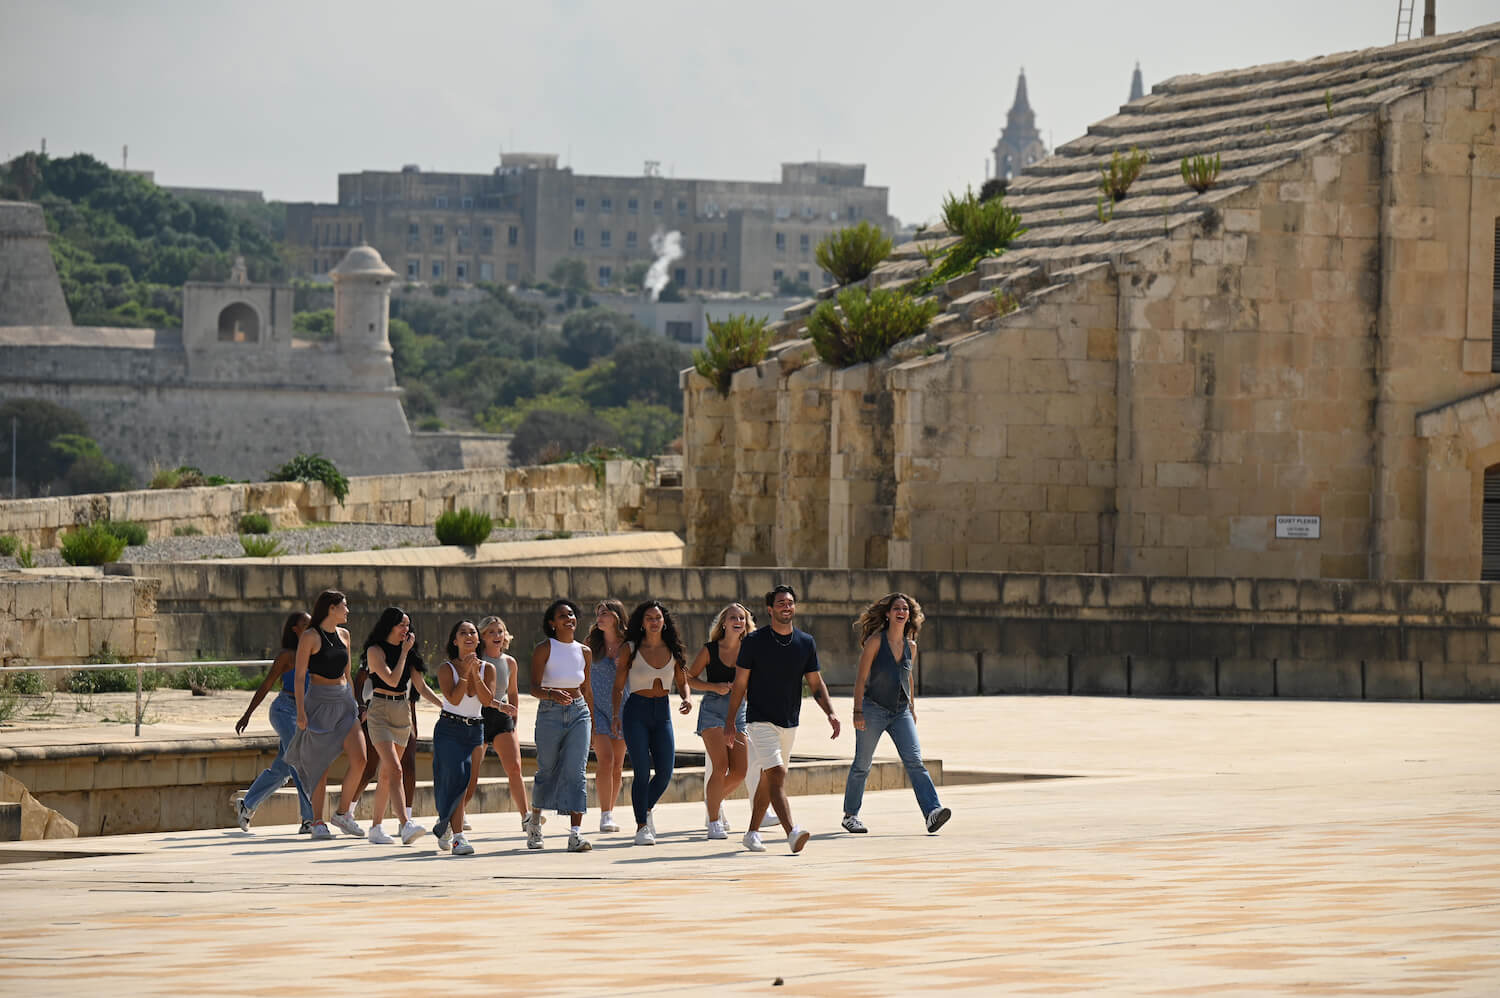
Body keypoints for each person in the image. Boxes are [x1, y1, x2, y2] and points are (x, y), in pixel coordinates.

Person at [725, 584, 840, 854]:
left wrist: (831, 712)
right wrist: (730, 720)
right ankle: (792, 833)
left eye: (789, 602)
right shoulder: (754, 642)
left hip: (789, 721)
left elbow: (815, 682)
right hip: (759, 719)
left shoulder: (805, 642)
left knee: (769, 779)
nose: (786, 607)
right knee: (777, 774)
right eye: (780, 603)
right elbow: (740, 683)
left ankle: (752, 833)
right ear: (770, 609)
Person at [841, 593, 952, 835]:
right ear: (889, 614)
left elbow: (908, 677)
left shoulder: (911, 646)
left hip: (900, 711)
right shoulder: (875, 642)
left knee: (915, 762)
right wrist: (857, 711)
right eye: (897, 608)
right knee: (862, 763)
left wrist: (912, 708)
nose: (901, 612)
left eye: (905, 609)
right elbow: (861, 678)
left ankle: (932, 812)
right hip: (872, 709)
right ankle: (851, 815)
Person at [284, 590, 369, 840]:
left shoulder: (345, 635)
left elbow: (348, 672)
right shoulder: (310, 636)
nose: (348, 610)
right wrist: (300, 711)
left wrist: (356, 704)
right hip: (318, 703)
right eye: (344, 606)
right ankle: (317, 821)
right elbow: (300, 677)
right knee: (320, 766)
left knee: (361, 759)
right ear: (331, 608)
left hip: (343, 702)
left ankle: (342, 814)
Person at [233, 611, 324, 833]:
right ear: (295, 628)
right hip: (284, 710)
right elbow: (266, 685)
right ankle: (309, 820)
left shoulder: (316, 653)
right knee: (299, 760)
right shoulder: (287, 656)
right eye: (306, 623)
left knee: (283, 769)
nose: (311, 625)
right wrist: (247, 714)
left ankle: (247, 805)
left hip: (304, 712)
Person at [360, 607, 444, 846]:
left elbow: (421, 687)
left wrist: (445, 706)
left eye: (408, 625)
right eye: (401, 625)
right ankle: (406, 824)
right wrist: (405, 653)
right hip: (380, 711)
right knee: (395, 769)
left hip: (402, 713)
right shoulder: (375, 651)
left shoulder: (409, 652)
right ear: (389, 626)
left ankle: (375, 827)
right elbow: (393, 680)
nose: (406, 630)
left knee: (387, 775)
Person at [615, 600, 691, 845]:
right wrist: (616, 716)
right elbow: (618, 687)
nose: (655, 622)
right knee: (641, 771)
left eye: (658, 618)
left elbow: (682, 680)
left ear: (664, 621)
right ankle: (641, 826)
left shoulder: (673, 648)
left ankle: (645, 809)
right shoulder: (631, 648)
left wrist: (687, 698)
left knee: (665, 772)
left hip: (663, 713)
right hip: (636, 711)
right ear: (642, 622)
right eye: (650, 618)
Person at [526, 599, 594, 853]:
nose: (570, 618)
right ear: (552, 623)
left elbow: (587, 690)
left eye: (572, 614)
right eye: (563, 615)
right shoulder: (545, 648)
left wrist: (594, 725)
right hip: (550, 713)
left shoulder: (585, 651)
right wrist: (551, 694)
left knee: (577, 773)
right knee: (547, 770)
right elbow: (533, 687)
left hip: (579, 713)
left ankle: (575, 834)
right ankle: (535, 823)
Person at [685, 603, 751, 840]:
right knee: (720, 765)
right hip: (712, 710)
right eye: (733, 617)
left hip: (739, 712)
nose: (738, 621)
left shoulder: (750, 649)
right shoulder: (710, 649)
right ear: (724, 623)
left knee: (741, 771)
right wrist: (715, 687)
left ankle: (712, 800)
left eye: (742, 618)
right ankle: (714, 821)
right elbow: (688, 678)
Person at [464, 615, 529, 833]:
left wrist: (515, 718)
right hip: (478, 715)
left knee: (515, 767)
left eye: (500, 631)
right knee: (472, 771)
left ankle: (526, 816)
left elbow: (512, 692)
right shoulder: (476, 660)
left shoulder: (510, 662)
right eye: (491, 632)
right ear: (482, 636)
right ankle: (458, 813)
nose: (497, 636)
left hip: (502, 717)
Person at [431, 620, 491, 856]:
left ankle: (445, 820)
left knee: (469, 788)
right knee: (457, 779)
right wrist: (465, 672)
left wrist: (475, 671)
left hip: (475, 730)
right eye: (462, 633)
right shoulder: (447, 668)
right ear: (454, 641)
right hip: (449, 729)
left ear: (478, 640)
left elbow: (486, 701)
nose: (468, 635)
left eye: (472, 632)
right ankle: (458, 837)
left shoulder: (488, 668)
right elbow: (454, 700)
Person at [584, 599, 630, 834]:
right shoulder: (591, 644)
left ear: (617, 617)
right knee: (606, 760)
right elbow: (583, 678)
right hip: (596, 709)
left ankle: (610, 811)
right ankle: (605, 814)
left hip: (622, 709)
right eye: (598, 614)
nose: (599, 617)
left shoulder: (630, 644)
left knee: (618, 765)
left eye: (604, 613)